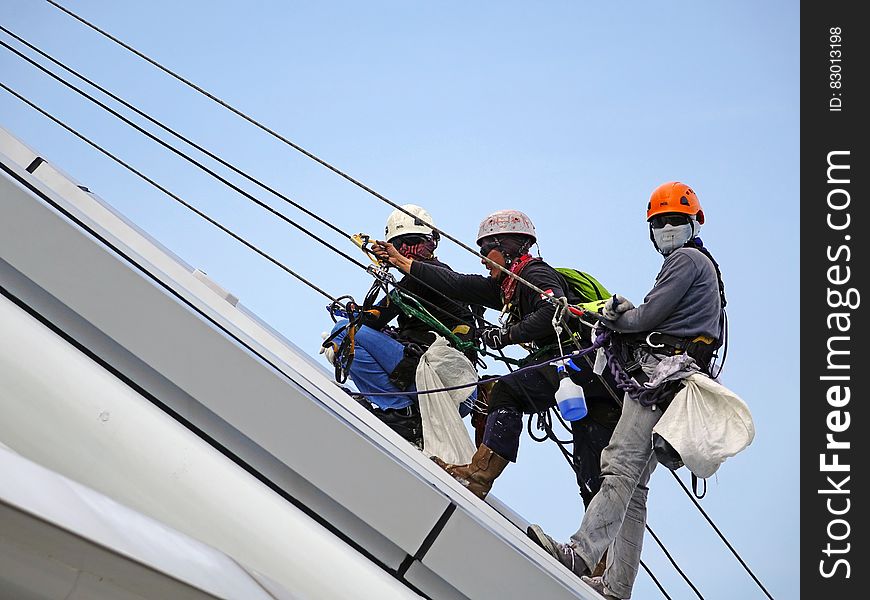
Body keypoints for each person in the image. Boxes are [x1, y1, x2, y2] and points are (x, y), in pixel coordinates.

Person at [526, 182, 727, 600]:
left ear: (694, 223)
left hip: (661, 380)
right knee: (634, 490)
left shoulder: (687, 260)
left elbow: (646, 318)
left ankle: (577, 556)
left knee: (617, 467)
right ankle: (616, 587)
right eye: (661, 223)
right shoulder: (704, 266)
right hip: (679, 382)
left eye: (674, 220)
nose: (668, 228)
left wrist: (613, 316)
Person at [375, 209, 621, 500]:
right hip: (595, 378)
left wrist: (507, 335)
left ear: (506, 247)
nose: (481, 259)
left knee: (505, 389)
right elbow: (458, 284)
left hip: (581, 361)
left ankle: (478, 476)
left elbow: (552, 310)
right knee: (590, 467)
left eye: (485, 250)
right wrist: (402, 261)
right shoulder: (507, 286)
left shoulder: (534, 273)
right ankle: (598, 545)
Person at [322, 204, 478, 449]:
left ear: (432, 244)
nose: (407, 251)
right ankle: (405, 414)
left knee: (344, 332)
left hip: (444, 382)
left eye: (414, 242)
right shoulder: (438, 277)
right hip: (455, 390)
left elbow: (375, 317)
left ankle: (399, 410)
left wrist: (356, 313)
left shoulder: (427, 275)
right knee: (356, 333)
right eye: (400, 245)